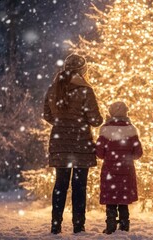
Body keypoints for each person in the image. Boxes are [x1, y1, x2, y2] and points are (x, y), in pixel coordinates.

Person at [43, 53, 103, 234]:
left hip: (60, 142)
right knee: (79, 186)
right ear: (82, 70)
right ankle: (78, 226)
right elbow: (95, 120)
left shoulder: (53, 88)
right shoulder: (85, 90)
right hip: (81, 144)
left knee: (60, 184)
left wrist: (62, 122)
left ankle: (56, 225)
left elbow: (47, 114)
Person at [96, 101, 143, 234]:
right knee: (123, 199)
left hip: (110, 170)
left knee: (111, 198)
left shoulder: (105, 130)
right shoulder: (131, 130)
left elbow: (99, 153)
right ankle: (124, 224)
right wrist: (127, 157)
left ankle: (110, 224)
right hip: (126, 170)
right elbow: (138, 152)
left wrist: (109, 156)